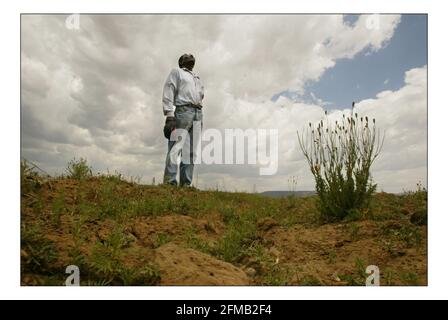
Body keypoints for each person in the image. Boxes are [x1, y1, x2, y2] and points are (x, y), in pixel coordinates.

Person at [162, 54, 204, 186]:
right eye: (186, 56)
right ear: (181, 62)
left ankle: (186, 184)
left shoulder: (196, 77)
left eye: (191, 56)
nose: (190, 56)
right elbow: (169, 90)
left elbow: (201, 95)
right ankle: (170, 182)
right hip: (183, 111)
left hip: (198, 112)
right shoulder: (177, 72)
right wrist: (169, 114)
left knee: (191, 151)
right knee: (176, 147)